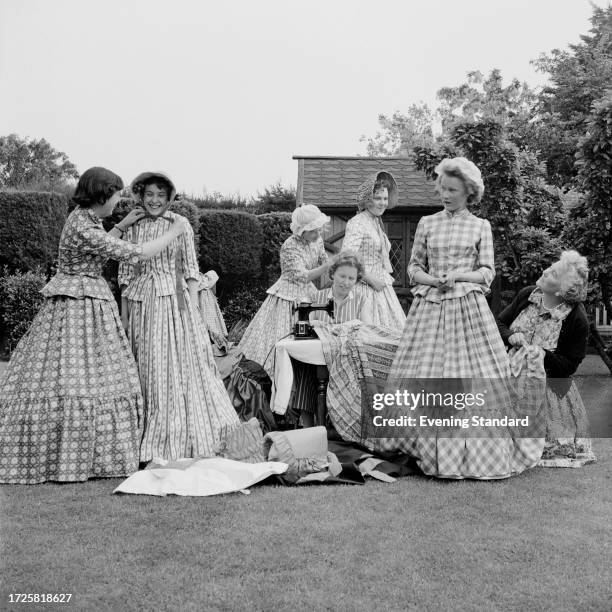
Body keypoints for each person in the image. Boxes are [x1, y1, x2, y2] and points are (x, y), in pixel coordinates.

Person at [0, 167, 188, 484]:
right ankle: (68, 454)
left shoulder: (85, 219)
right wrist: (175, 232)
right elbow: (136, 254)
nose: (118, 203)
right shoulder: (82, 224)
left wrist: (123, 224)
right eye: (116, 196)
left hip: (86, 300)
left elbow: (97, 250)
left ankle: (84, 452)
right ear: (102, 194)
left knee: (83, 379)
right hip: (78, 305)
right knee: (77, 379)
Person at [382, 157, 542, 479]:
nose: (445, 195)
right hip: (430, 308)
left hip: (468, 310)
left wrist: (458, 276)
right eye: (442, 189)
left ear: (469, 192)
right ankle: (419, 448)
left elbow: (487, 272)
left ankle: (472, 452)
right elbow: (413, 270)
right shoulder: (427, 223)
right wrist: (433, 280)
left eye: (452, 190)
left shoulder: (480, 226)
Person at [118, 171, 239, 463]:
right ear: (140, 195)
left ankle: (181, 430)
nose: (155, 200)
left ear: (170, 197)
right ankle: (142, 432)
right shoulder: (132, 226)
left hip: (174, 302)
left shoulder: (180, 225)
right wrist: (123, 317)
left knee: (180, 366)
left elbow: (190, 269)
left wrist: (195, 308)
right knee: (147, 365)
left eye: (161, 195)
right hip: (141, 302)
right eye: (149, 194)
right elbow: (124, 274)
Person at [497, 251, 596, 466]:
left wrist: (542, 354)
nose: (545, 271)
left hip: (548, 390)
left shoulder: (576, 318)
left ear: (562, 291)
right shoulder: (527, 295)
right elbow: (499, 323)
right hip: (511, 379)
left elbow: (568, 366)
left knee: (547, 449)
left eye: (552, 273)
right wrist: (510, 336)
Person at [237, 204, 330, 377]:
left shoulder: (317, 240)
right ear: (302, 230)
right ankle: (272, 377)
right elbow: (302, 276)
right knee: (278, 340)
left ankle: (307, 377)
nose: (317, 234)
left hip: (308, 293)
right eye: (313, 230)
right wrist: (328, 266)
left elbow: (323, 259)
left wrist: (336, 276)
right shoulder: (289, 246)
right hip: (287, 295)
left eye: (318, 230)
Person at [341, 171, 405, 330]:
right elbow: (346, 258)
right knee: (368, 334)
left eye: (385, 198)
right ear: (367, 200)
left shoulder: (376, 222)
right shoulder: (358, 222)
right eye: (378, 198)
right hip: (364, 289)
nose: (383, 203)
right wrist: (370, 279)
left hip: (382, 288)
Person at [308, 251, 371, 325]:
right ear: (332, 274)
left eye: (351, 278)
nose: (346, 282)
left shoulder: (362, 300)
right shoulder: (316, 298)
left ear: (356, 280)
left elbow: (368, 330)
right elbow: (306, 327)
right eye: (342, 276)